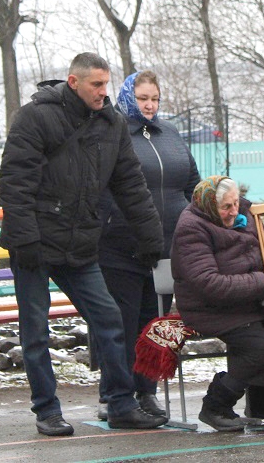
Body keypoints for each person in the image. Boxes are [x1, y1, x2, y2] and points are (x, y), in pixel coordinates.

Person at [0, 53, 168, 436]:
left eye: (107, 84)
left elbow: (130, 184)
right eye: (96, 85)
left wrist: (150, 236)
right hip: (35, 243)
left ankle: (121, 404)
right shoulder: (35, 117)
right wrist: (24, 239)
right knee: (36, 330)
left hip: (79, 243)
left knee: (109, 320)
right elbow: (15, 183)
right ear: (74, 82)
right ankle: (47, 410)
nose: (103, 92)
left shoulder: (112, 124)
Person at [96, 70, 201, 420]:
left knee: (154, 324)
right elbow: (103, 187)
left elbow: (192, 183)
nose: (150, 105)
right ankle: (118, 396)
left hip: (168, 247)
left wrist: (190, 217)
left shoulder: (170, 134)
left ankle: (147, 392)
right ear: (129, 97)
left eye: (154, 98)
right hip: (121, 246)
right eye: (143, 98)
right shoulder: (112, 132)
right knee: (122, 325)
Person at [171, 176, 264, 432]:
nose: (234, 211)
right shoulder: (191, 227)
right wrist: (263, 282)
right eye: (226, 207)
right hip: (211, 308)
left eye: (235, 204)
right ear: (209, 206)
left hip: (253, 301)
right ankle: (216, 406)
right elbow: (209, 284)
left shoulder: (244, 212)